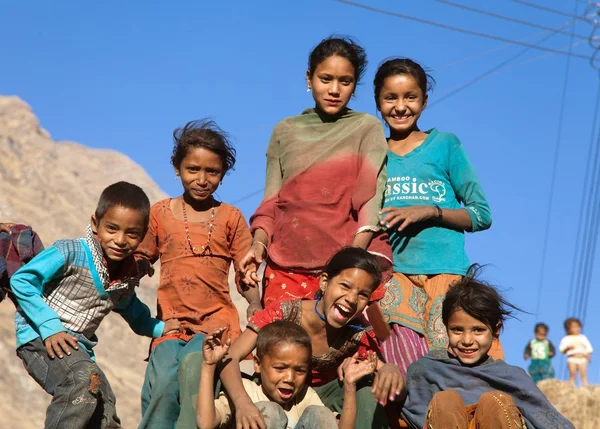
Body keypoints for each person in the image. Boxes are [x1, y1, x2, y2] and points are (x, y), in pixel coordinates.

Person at [10, 181, 179, 429]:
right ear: (95, 223)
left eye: (131, 234)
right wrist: (50, 326)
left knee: (106, 406)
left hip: (76, 348)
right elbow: (22, 280)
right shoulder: (70, 251)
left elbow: (131, 309)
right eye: (112, 228)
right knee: (82, 381)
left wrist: (158, 328)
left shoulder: (124, 276)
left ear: (142, 237)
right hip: (39, 338)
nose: (120, 240)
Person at [240, 36, 391, 308]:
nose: (334, 89)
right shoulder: (284, 131)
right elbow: (271, 202)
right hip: (284, 265)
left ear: (355, 85)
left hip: (341, 271)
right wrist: (258, 245)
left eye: (345, 81)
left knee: (340, 350)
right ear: (309, 78)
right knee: (282, 348)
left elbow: (371, 201)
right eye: (325, 79)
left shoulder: (366, 128)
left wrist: (350, 262)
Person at [372, 58, 498, 375]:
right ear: (377, 101)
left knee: (454, 359)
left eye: (410, 97)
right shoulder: (373, 153)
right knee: (398, 357)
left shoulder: (445, 145)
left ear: (424, 101)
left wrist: (431, 212)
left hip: (446, 272)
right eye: (391, 98)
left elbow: (481, 215)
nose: (400, 107)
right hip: (395, 275)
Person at [135, 119, 260, 429]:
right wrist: (132, 269)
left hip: (215, 324)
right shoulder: (160, 213)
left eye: (212, 172)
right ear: (177, 168)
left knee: (194, 372)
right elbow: (141, 257)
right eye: (193, 169)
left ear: (222, 174)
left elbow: (246, 273)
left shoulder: (231, 217)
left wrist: (254, 302)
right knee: (163, 382)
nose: (202, 179)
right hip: (171, 325)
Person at [214, 247, 403, 429]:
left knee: (367, 387)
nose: (352, 299)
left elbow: (391, 381)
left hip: (321, 405)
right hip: (273, 395)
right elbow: (229, 358)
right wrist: (243, 404)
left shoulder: (358, 332)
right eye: (345, 286)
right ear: (324, 282)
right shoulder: (284, 312)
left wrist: (390, 369)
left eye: (362, 295)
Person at [401, 266, 574, 429]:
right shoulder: (428, 369)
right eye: (457, 330)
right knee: (446, 402)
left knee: (496, 403)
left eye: (478, 330)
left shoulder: (511, 378)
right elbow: (411, 410)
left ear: (496, 330)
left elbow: (547, 419)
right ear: (446, 328)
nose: (467, 340)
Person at [197, 321, 377, 429]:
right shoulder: (246, 391)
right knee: (271, 412)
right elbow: (206, 423)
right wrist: (208, 365)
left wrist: (350, 386)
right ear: (258, 364)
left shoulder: (305, 397)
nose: (289, 379)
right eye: (280, 368)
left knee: (320, 414)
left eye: (299, 370)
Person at [559, 317, 593, 387]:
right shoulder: (566, 339)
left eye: (578, 326)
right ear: (568, 329)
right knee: (572, 374)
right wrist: (567, 348)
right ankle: (571, 387)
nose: (577, 329)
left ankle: (586, 387)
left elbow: (589, 347)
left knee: (583, 375)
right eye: (574, 327)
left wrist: (588, 355)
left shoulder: (582, 337)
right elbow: (562, 349)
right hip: (572, 358)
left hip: (582, 358)